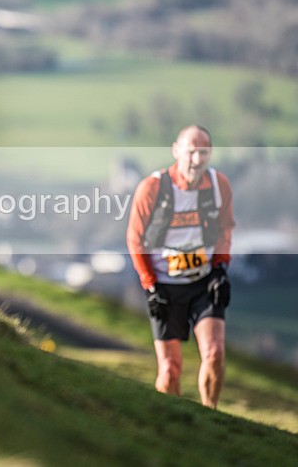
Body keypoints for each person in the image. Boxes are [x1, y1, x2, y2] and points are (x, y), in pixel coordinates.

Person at [126, 125, 235, 408]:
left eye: (204, 153)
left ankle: (210, 413)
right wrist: (150, 286)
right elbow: (135, 239)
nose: (197, 160)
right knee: (170, 369)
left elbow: (225, 229)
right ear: (176, 151)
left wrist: (221, 268)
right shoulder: (152, 187)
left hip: (203, 282)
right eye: (191, 152)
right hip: (164, 286)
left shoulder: (218, 185)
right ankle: (172, 421)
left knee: (214, 353)